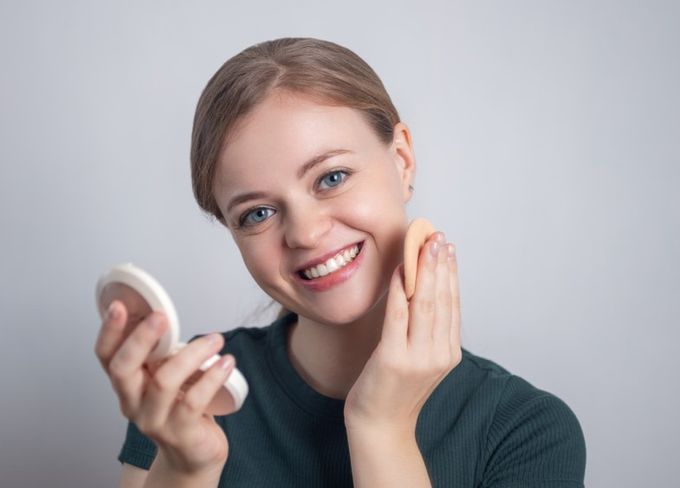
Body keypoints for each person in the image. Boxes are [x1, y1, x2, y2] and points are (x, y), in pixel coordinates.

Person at [95, 37, 586, 487]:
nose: (305, 233)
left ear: (403, 161)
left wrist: (382, 426)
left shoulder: (526, 430)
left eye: (331, 178)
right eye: (258, 213)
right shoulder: (193, 390)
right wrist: (186, 468)